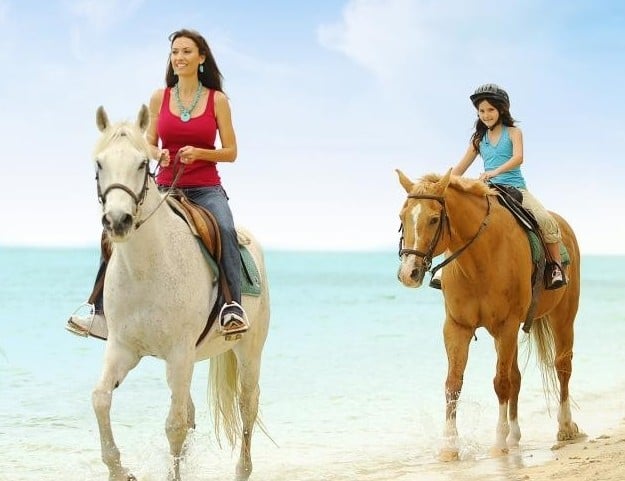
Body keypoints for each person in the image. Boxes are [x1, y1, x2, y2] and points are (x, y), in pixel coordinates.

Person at [66, 28, 248, 339]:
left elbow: (231, 152)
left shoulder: (217, 101)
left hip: (205, 188)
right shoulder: (159, 97)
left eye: (187, 51)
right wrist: (158, 153)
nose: (179, 57)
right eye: (175, 52)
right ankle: (97, 309)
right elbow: (147, 143)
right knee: (112, 230)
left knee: (227, 229)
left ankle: (231, 306)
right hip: (163, 187)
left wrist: (200, 153)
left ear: (201, 58)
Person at [432, 83, 565, 290]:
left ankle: (555, 267)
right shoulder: (478, 139)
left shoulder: (513, 132)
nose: (486, 115)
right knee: (459, 219)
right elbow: (459, 168)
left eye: (490, 110)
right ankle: (444, 270)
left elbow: (519, 157)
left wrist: (495, 171)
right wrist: (439, 183)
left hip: (515, 188)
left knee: (545, 220)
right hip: (487, 189)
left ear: (501, 110)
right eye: (481, 111)